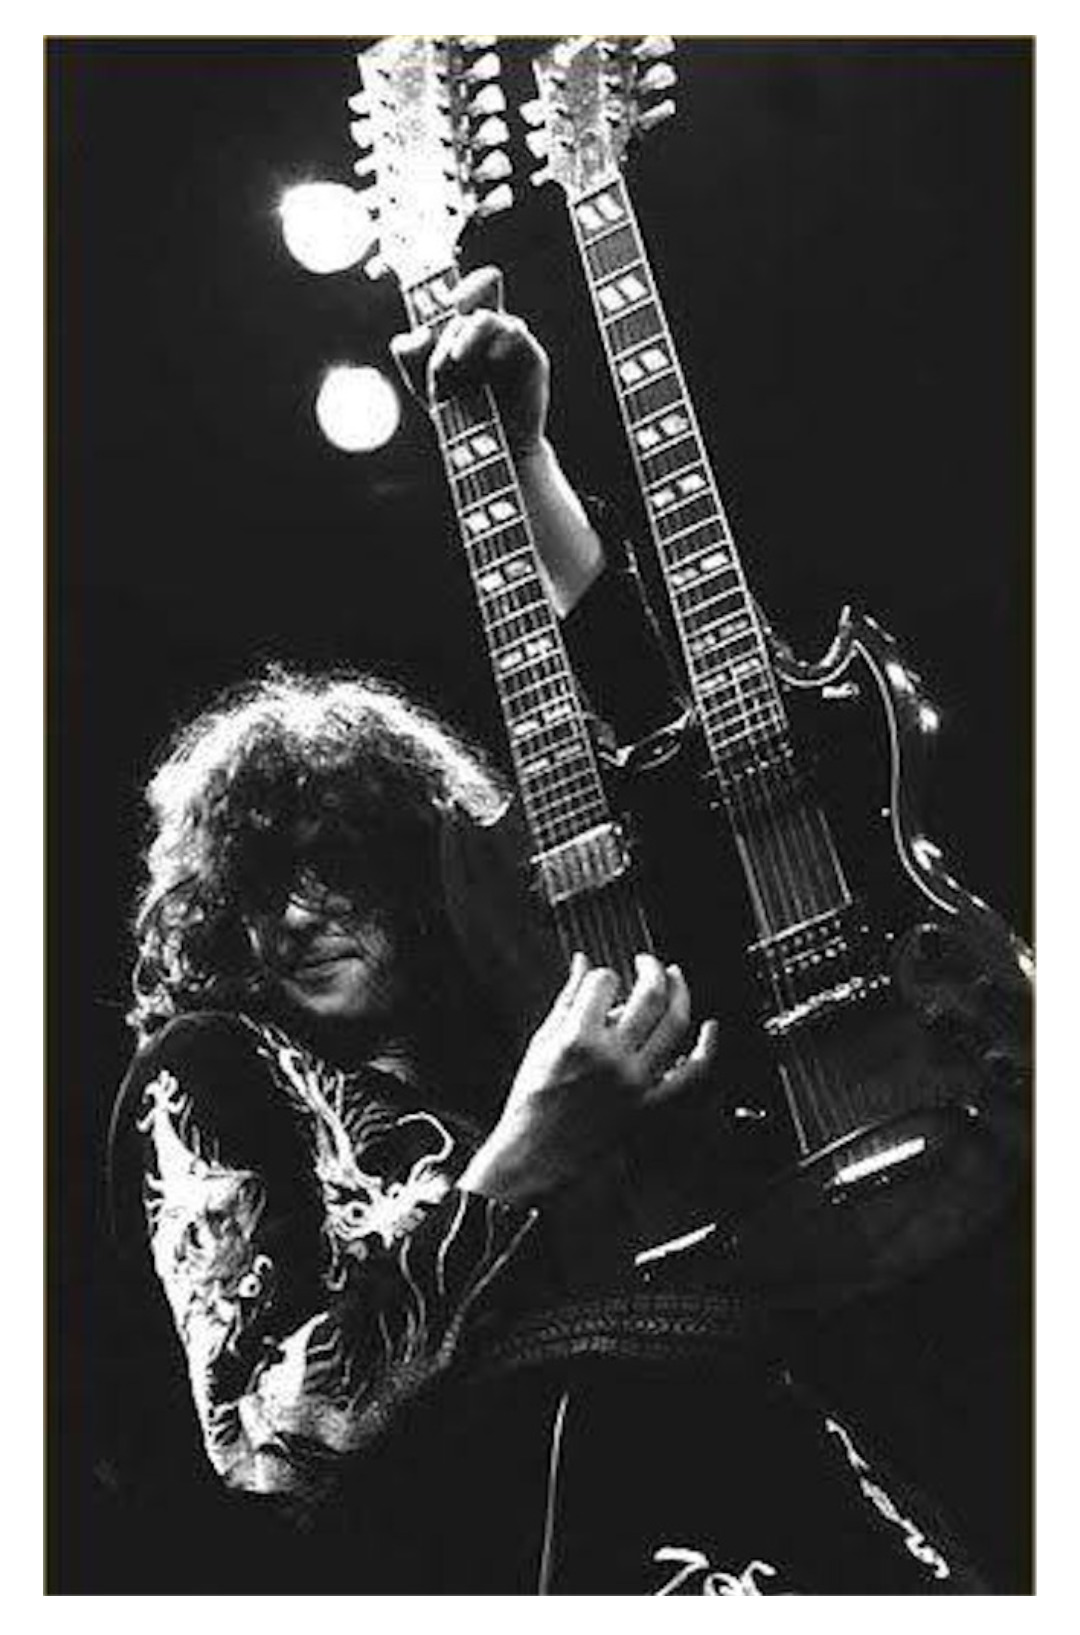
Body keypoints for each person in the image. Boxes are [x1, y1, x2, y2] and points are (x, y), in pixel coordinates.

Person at [106, 269, 987, 1594]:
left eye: (335, 869)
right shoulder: (216, 1067)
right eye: (256, 889)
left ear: (420, 875)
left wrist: (525, 463)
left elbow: (677, 745)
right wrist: (526, 1155)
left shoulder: (526, 1008)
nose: (291, 916)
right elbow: (267, 1443)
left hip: (774, 1464)